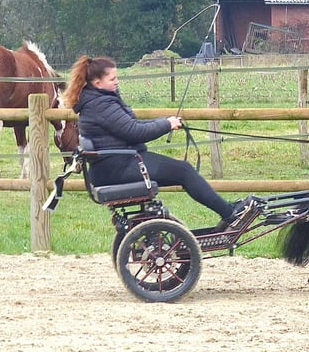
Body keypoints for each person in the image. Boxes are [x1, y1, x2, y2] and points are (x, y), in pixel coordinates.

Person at [64, 55, 255, 232]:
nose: (117, 82)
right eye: (112, 79)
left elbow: (131, 125)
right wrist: (167, 124)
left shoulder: (99, 100)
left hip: (116, 164)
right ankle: (231, 214)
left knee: (183, 170)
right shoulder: (102, 105)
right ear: (97, 82)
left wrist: (166, 121)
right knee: (184, 171)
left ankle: (228, 212)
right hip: (119, 167)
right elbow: (135, 132)